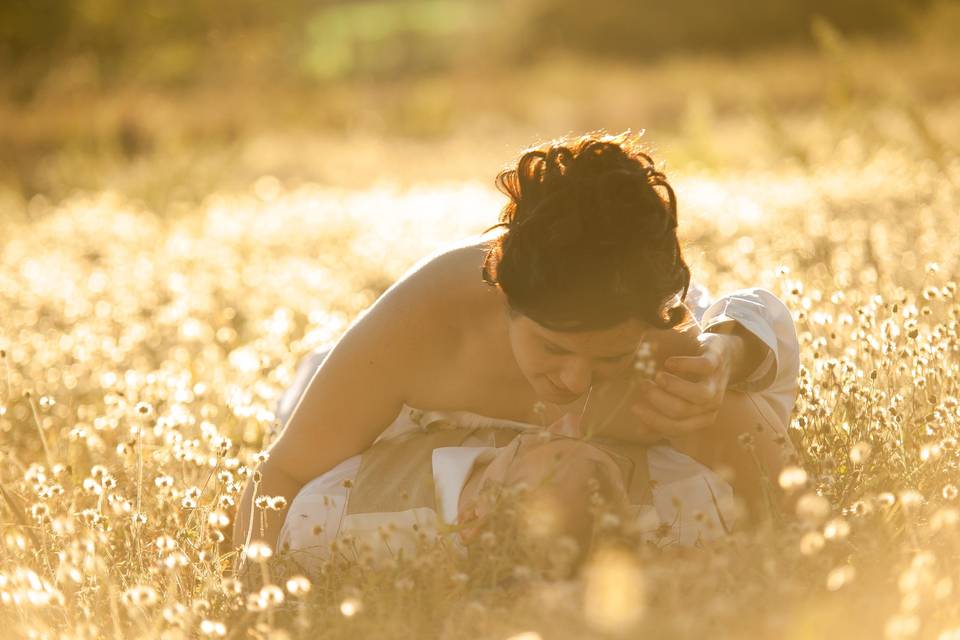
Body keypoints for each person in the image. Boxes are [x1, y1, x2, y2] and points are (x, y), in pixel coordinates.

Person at [230, 130, 801, 575]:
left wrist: (727, 356)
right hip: (385, 430)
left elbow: (787, 499)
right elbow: (281, 473)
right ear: (501, 290)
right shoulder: (426, 321)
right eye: (552, 346)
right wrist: (253, 601)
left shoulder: (665, 357)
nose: (575, 380)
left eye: (608, 359)